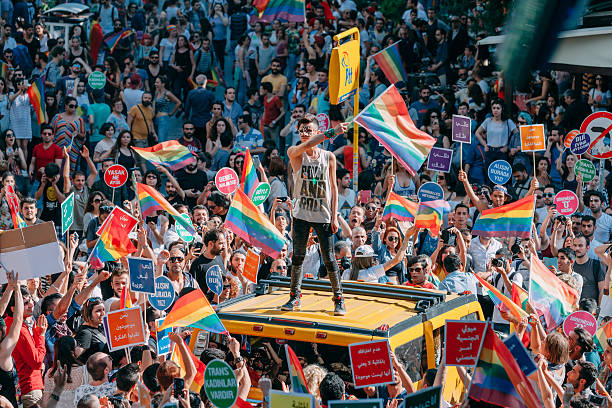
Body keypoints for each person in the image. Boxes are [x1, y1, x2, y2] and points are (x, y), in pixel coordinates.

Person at [281, 114, 347, 315]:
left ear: (317, 131)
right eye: (301, 130)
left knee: (329, 258)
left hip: (323, 214)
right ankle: (294, 297)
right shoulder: (295, 152)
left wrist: (335, 216)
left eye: (309, 130)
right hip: (301, 214)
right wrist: (332, 132)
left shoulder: (329, 157)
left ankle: (339, 299)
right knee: (298, 256)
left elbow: (334, 188)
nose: (304, 133)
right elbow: (309, 144)